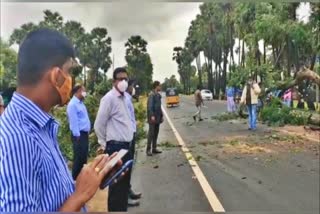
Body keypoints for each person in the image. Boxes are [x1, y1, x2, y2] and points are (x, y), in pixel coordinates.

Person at [0, 29, 122, 212]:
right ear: (56, 76)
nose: (71, 80)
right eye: (69, 71)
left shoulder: (40, 125)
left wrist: (91, 181)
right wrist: (79, 195)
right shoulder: (16, 139)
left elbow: (51, 197)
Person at [94, 67, 135, 212]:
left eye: (126, 79)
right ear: (114, 81)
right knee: (116, 188)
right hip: (115, 149)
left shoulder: (125, 98)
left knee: (124, 187)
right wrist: (104, 145)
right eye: (120, 79)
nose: (124, 81)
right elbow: (99, 124)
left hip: (126, 147)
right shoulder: (109, 99)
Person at [67, 85, 91, 180]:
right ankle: (75, 180)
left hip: (84, 134)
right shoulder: (72, 104)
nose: (85, 93)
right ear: (78, 91)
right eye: (83, 91)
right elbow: (73, 121)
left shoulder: (81, 104)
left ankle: (82, 179)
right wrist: (77, 135)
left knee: (83, 157)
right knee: (78, 157)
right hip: (78, 135)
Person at [125, 80, 142, 207]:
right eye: (132, 86)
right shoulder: (120, 99)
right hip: (123, 140)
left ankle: (128, 190)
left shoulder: (128, 98)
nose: (133, 88)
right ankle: (124, 198)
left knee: (129, 167)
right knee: (124, 169)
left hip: (131, 136)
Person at [146, 81, 163, 156]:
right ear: (156, 86)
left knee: (156, 133)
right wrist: (152, 115)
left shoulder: (158, 95)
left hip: (158, 117)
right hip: (152, 117)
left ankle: (154, 148)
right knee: (151, 134)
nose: (160, 87)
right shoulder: (151, 95)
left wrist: (161, 116)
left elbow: (159, 107)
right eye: (159, 85)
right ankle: (148, 149)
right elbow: (150, 106)